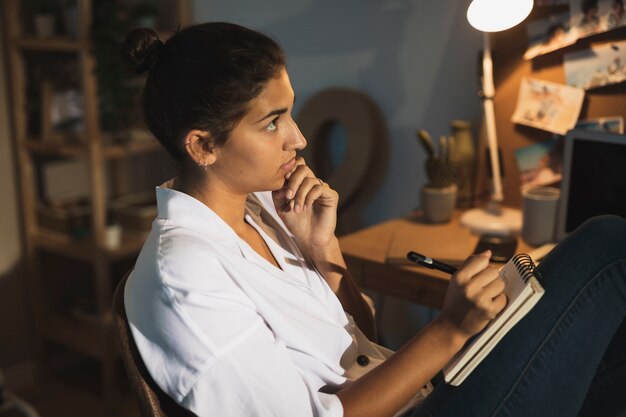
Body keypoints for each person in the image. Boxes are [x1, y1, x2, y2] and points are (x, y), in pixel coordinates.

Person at [121, 22, 626, 417]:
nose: (297, 139)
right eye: (272, 122)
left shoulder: (264, 210)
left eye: (290, 113)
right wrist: (451, 329)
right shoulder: (182, 275)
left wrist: (325, 252)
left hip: (425, 398)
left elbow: (361, 341)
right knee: (606, 248)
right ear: (203, 146)